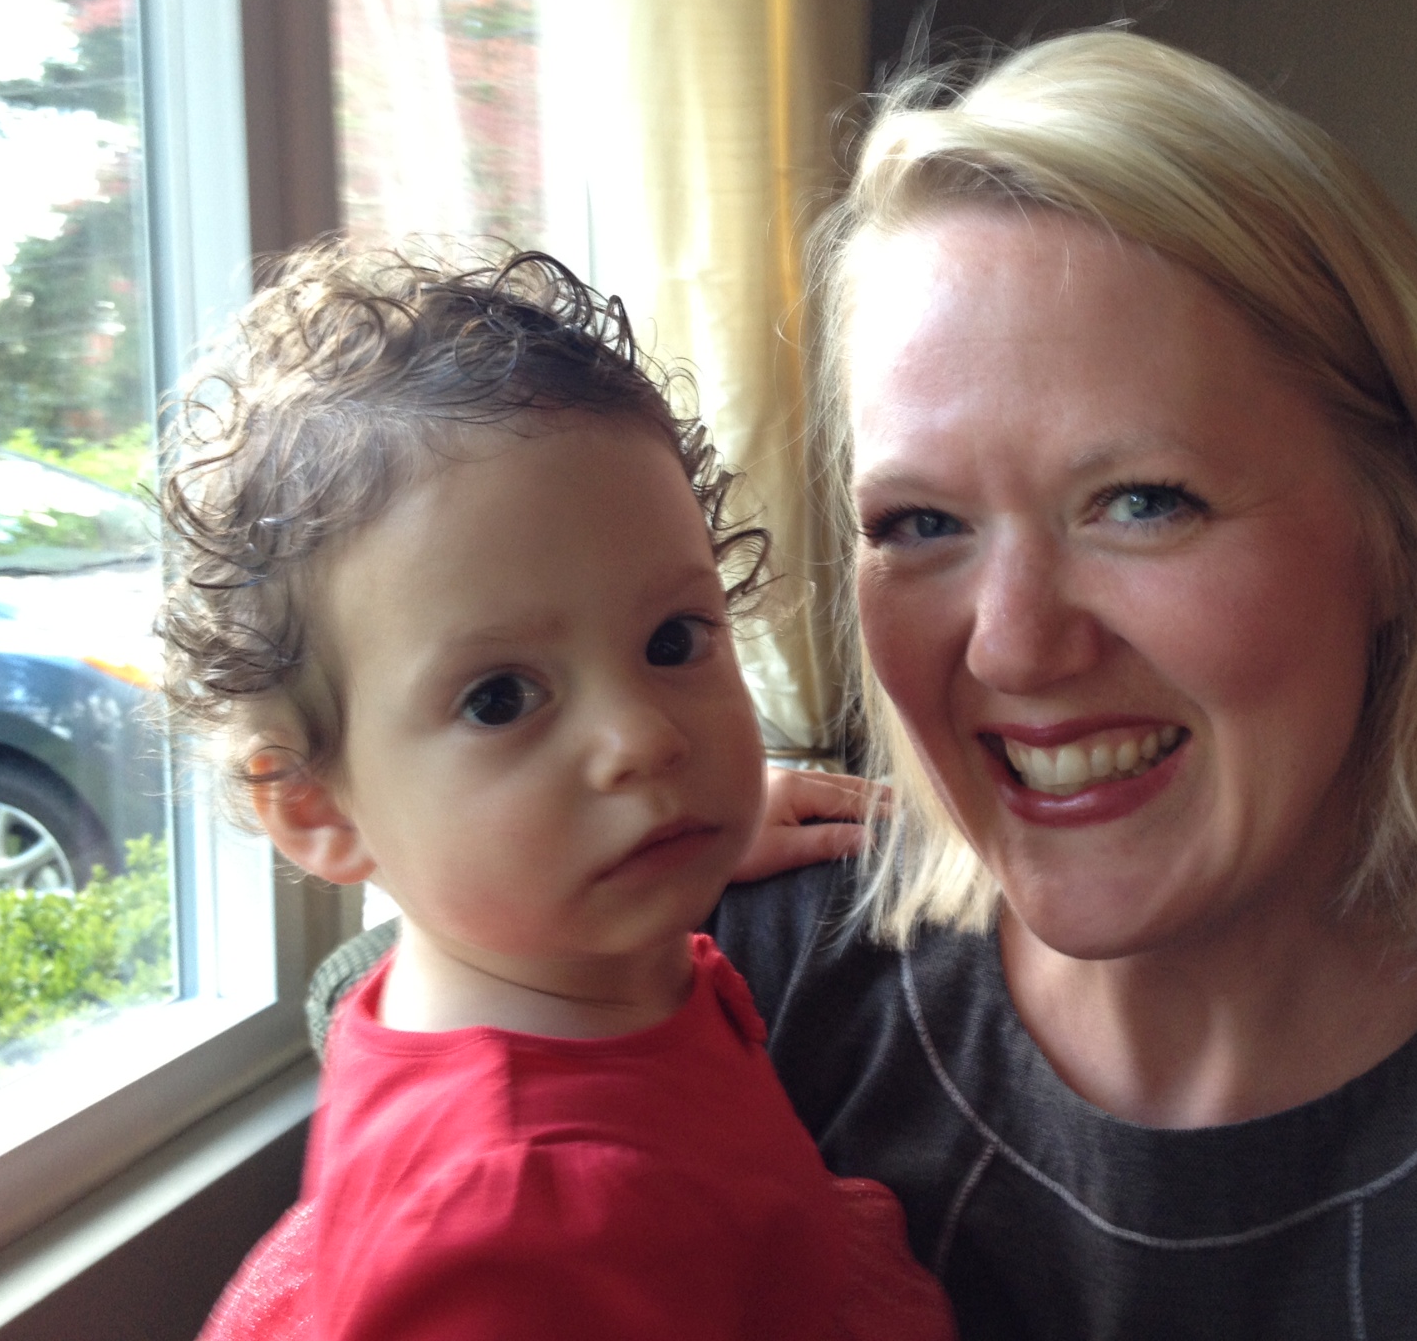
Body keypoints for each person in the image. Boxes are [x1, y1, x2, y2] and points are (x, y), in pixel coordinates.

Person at [314, 34, 1417, 1339]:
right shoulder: (735, 982)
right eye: (920, 523)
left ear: (1405, 531)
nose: (1014, 645)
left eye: (1142, 500)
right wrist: (586, 877)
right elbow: (389, 1044)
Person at [162, 244, 953, 1340]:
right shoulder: (510, 1229)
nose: (643, 740)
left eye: (672, 641)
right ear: (317, 808)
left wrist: (705, 825)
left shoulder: (561, 965)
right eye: (500, 699)